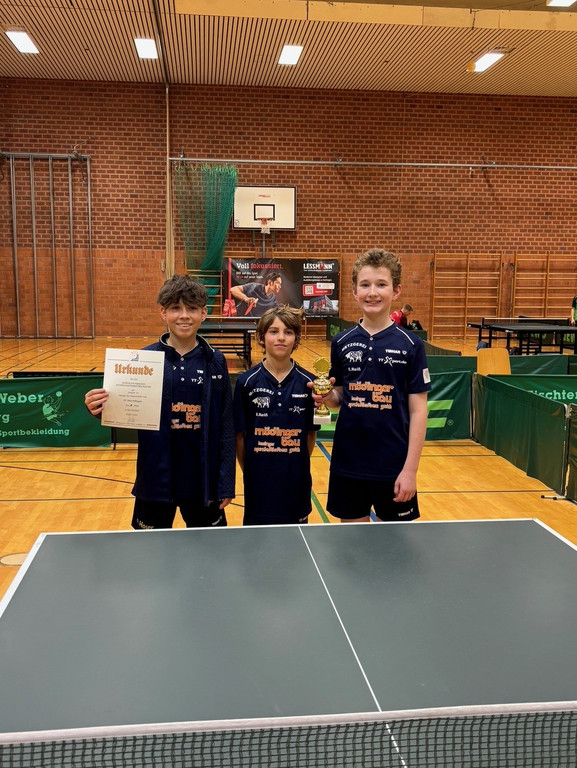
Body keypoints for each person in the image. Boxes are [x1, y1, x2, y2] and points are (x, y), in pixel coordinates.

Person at [85, 275, 235, 529]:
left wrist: (226, 482)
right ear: (163, 313)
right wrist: (99, 408)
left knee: (209, 549)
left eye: (192, 308)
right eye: (176, 308)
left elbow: (226, 426)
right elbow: (124, 410)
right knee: (150, 549)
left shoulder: (216, 360)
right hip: (155, 479)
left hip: (203, 481)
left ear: (203, 314)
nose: (184, 315)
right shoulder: (143, 359)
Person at [312, 248, 431, 523]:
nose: (372, 292)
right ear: (354, 292)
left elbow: (418, 411)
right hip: (348, 463)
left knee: (395, 544)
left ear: (396, 291)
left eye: (381, 284)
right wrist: (328, 396)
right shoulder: (341, 342)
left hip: (394, 466)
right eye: (365, 285)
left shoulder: (411, 345)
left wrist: (410, 470)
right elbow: (340, 397)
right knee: (352, 543)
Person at [234, 305, 319, 525]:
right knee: (257, 541)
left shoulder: (309, 382)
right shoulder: (246, 382)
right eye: (273, 331)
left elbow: (310, 435)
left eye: (288, 332)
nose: (281, 338)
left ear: (296, 339)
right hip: (258, 484)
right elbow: (239, 437)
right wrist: (250, 470)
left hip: (296, 483)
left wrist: (295, 463)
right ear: (261, 338)